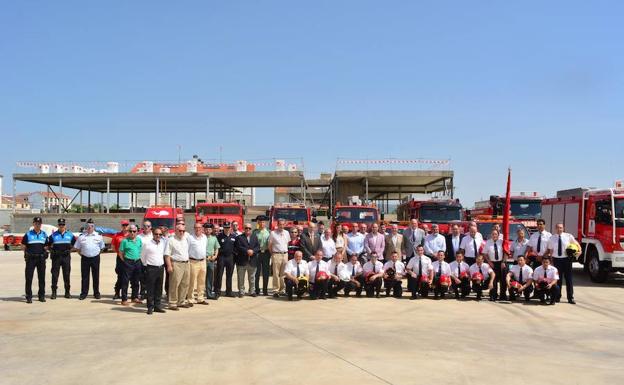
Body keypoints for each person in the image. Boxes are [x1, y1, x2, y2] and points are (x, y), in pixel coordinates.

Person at [547, 223, 579, 304]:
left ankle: (570, 298)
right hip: (556, 260)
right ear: (555, 228)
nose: (559, 229)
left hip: (567, 260)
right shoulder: (552, 238)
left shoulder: (568, 236)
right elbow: (551, 251)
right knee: (558, 280)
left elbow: (576, 244)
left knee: (569, 279)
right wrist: (551, 261)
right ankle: (557, 297)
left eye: (561, 228)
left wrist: (580, 251)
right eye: (557, 228)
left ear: (563, 228)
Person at [73, 219, 105, 300]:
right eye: (88, 226)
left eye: (91, 226)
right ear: (86, 227)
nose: (90, 227)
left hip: (95, 258)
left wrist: (96, 254)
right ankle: (84, 293)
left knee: (96, 276)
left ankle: (96, 293)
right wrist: (83, 254)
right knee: (84, 277)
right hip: (85, 259)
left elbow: (102, 248)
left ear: (94, 227)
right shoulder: (81, 237)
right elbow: (77, 248)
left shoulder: (99, 236)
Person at [165, 223, 191, 310]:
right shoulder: (171, 240)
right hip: (176, 264)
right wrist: (169, 266)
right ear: (176, 230)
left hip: (186, 263)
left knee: (185, 284)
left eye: (183, 231)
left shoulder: (186, 239)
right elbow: (167, 254)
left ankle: (181, 301)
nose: (182, 232)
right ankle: (172, 303)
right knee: (174, 284)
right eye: (180, 231)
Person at [22, 216, 49, 303]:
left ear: (41, 224)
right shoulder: (28, 234)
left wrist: (45, 252)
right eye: (36, 223)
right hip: (31, 259)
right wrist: (26, 254)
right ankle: (28, 296)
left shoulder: (44, 234)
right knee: (29, 278)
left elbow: (46, 246)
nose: (37, 225)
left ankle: (41, 296)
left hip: (41, 259)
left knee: (41, 278)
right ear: (33, 224)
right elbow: (23, 246)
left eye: (39, 224)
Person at [48, 218, 76, 299]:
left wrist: (70, 250)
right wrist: (52, 251)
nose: (61, 226)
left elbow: (75, 245)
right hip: (56, 257)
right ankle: (54, 292)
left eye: (63, 224)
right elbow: (48, 246)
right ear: (58, 225)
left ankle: (67, 292)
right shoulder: (53, 235)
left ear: (65, 225)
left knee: (66, 275)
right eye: (60, 225)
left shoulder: (70, 235)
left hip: (66, 257)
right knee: (54, 275)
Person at [141, 227, 167, 314]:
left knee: (159, 288)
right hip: (151, 268)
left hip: (160, 268)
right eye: (156, 234)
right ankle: (150, 307)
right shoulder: (147, 244)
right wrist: (147, 266)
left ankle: (157, 306)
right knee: (150, 289)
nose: (158, 236)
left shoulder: (162, 243)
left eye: (160, 234)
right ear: (153, 234)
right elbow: (143, 257)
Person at [118, 224, 143, 306]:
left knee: (136, 281)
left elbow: (140, 250)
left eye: (134, 231)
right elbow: (120, 253)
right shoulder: (124, 241)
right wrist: (125, 261)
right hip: (128, 262)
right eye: (130, 231)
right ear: (128, 232)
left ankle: (134, 297)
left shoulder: (139, 240)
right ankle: (124, 299)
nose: (132, 233)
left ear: (137, 232)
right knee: (125, 281)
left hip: (137, 262)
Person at [481, 229, 508, 301]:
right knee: (494, 280)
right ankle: (493, 295)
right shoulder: (488, 242)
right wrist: (489, 262)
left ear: (498, 235)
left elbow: (506, 252)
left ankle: (503, 295)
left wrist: (503, 261)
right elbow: (484, 253)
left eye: (496, 234)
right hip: (492, 263)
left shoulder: (502, 242)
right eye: (493, 234)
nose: (494, 235)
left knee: (503, 280)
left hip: (502, 263)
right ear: (491, 235)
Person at [235, 223, 260, 297]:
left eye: (249, 228)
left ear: (251, 229)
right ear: (244, 229)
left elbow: (258, 247)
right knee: (241, 278)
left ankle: (252, 291)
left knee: (252, 278)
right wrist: (247, 251)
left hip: (252, 261)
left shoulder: (254, 237)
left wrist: (253, 251)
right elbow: (238, 247)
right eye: (246, 228)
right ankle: (241, 292)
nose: (248, 229)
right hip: (242, 261)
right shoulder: (239, 237)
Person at [187, 222, 209, 305]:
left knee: (202, 281)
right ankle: (190, 299)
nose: (198, 229)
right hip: (193, 261)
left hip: (203, 262)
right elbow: (187, 249)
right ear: (194, 228)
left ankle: (200, 298)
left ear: (202, 229)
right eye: (196, 227)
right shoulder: (190, 238)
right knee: (192, 281)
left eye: (199, 228)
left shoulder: (204, 237)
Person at [215, 222, 237, 299]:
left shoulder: (234, 236)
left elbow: (236, 247)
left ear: (230, 228)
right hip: (221, 257)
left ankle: (229, 291)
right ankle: (217, 292)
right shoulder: (219, 236)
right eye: (225, 227)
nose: (227, 229)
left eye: (228, 227)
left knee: (229, 275)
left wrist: (234, 255)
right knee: (219, 275)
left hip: (230, 258)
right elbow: (217, 247)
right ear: (223, 228)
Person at [269, 219, 290, 297]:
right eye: (280, 224)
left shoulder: (287, 233)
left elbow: (287, 244)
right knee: (276, 273)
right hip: (276, 255)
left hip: (285, 254)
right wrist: (273, 254)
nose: (281, 226)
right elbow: (270, 245)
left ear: (284, 225)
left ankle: (282, 290)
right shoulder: (273, 233)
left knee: (283, 274)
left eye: (283, 224)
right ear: (277, 224)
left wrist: (284, 253)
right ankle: (275, 290)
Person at [111, 220, 130, 300]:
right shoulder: (117, 235)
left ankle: (128, 294)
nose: (125, 226)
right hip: (120, 258)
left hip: (130, 258)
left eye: (126, 225)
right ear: (121, 226)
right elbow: (113, 247)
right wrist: (120, 254)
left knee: (129, 277)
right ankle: (117, 292)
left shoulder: (131, 234)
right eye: (123, 225)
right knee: (120, 276)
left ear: (128, 225)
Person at [253, 216, 271, 296]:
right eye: (260, 222)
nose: (262, 224)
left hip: (266, 254)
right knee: (256, 272)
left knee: (266, 272)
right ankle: (256, 289)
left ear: (265, 223)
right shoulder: (255, 232)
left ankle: (265, 290)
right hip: (257, 253)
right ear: (258, 223)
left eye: (263, 222)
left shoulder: (269, 232)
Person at [203, 223, 220, 300]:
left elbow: (216, 248)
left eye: (209, 229)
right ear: (204, 230)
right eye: (206, 229)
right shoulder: (201, 238)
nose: (207, 231)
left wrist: (215, 256)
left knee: (210, 278)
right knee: (200, 277)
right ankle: (198, 294)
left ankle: (209, 294)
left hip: (210, 260)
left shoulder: (214, 238)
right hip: (202, 260)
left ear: (211, 230)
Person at [137, 220, 153, 299]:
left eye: (148, 226)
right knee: (142, 278)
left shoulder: (154, 236)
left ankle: (150, 293)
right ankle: (142, 293)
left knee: (150, 279)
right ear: (142, 227)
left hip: (152, 261)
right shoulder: (139, 237)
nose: (146, 227)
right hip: (141, 260)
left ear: (151, 227)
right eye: (145, 226)